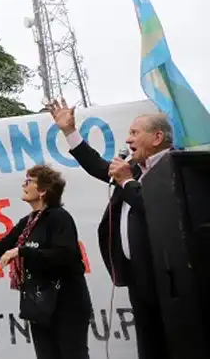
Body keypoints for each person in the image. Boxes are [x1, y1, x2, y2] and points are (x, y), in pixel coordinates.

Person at [48, 99, 173, 359]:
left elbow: (154, 208)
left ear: (157, 137)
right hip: (139, 277)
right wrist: (70, 132)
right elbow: (97, 166)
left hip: (170, 278)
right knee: (150, 347)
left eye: (135, 133)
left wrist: (126, 181)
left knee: (175, 342)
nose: (128, 139)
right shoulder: (135, 171)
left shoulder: (172, 167)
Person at [0, 164, 92, 359]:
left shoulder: (59, 217)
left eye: (29, 181)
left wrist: (23, 251)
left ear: (42, 190)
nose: (24, 185)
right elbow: (1, 249)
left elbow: (65, 255)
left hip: (67, 303)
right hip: (39, 304)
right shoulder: (28, 222)